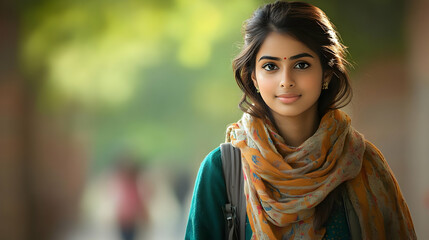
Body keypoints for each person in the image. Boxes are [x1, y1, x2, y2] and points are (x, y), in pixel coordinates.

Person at [185, 1, 416, 239]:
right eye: (271, 66)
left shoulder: (363, 165)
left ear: (326, 72)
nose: (286, 80)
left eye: (301, 64)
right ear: (254, 76)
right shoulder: (222, 170)